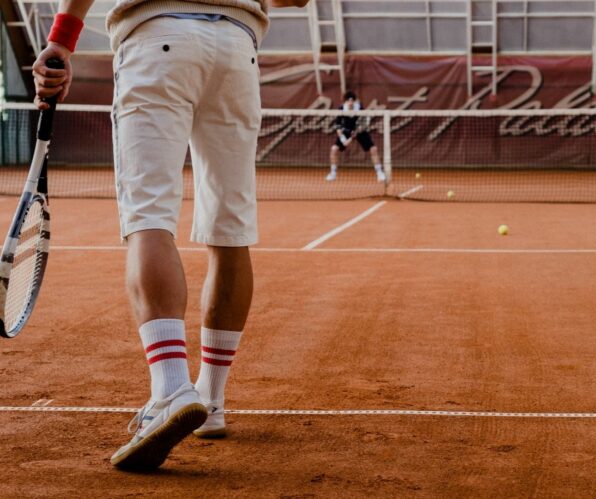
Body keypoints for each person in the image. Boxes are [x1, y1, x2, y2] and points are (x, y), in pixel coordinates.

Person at [33, 0, 309, 471]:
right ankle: (212, 400)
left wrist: (61, 37)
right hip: (237, 50)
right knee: (230, 231)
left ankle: (169, 390)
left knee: (149, 218)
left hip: (158, 38)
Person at [326, 91, 385, 182]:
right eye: (348, 100)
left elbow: (363, 124)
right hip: (346, 131)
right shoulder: (341, 109)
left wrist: (354, 135)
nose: (350, 102)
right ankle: (333, 173)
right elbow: (338, 127)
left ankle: (380, 173)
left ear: (354, 101)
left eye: (352, 100)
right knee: (334, 149)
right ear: (345, 101)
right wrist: (343, 139)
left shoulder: (360, 109)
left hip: (359, 131)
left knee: (374, 149)